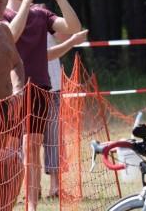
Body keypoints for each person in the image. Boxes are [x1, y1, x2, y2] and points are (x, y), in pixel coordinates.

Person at [0, 0, 82, 211]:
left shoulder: (41, 14)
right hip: (7, 90)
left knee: (32, 146)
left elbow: (73, 28)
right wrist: (26, 1)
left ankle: (31, 205)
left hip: (39, 88)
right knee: (7, 150)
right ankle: (4, 198)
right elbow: (11, 36)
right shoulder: (0, 14)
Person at [43, 29, 88, 199]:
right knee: (27, 142)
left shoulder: (50, 26)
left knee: (54, 140)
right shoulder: (12, 24)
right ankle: (33, 188)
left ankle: (55, 187)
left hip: (53, 89)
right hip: (26, 89)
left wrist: (73, 35)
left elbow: (70, 32)